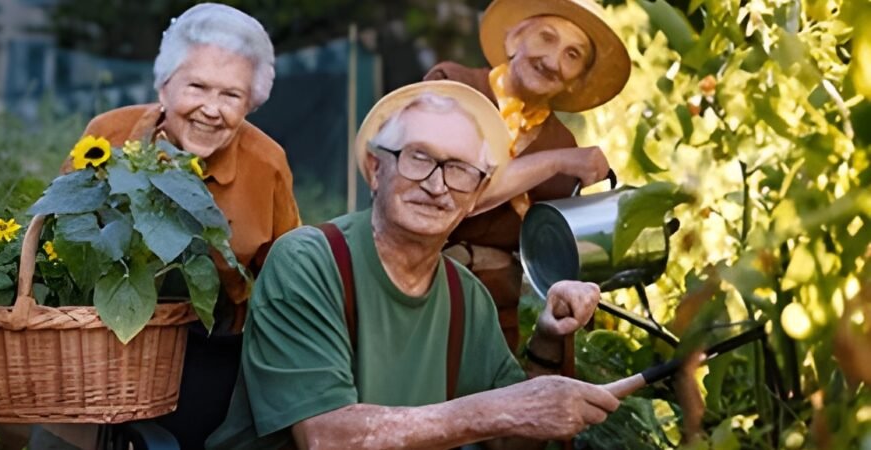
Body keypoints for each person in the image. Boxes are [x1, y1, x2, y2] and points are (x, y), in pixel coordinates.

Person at [207, 80, 618, 450]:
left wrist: (548, 336)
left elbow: (511, 442)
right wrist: (495, 410)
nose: (437, 186)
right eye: (419, 158)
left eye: (459, 170)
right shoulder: (310, 261)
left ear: (475, 196)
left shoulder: (467, 297)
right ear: (375, 169)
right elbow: (327, 438)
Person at [47, 4, 301, 449]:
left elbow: (290, 274)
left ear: (251, 103)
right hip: (94, 342)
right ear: (165, 85)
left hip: (209, 354)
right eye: (197, 86)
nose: (211, 109)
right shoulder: (109, 134)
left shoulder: (267, 164)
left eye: (231, 95)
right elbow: (59, 231)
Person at [423, 0, 631, 355]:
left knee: (494, 403)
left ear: (575, 81)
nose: (552, 61)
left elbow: (560, 256)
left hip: (496, 317)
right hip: (423, 293)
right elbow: (457, 196)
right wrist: (554, 163)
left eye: (572, 55)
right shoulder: (454, 86)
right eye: (545, 38)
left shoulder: (562, 140)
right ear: (513, 41)